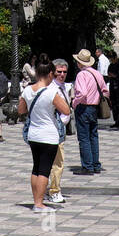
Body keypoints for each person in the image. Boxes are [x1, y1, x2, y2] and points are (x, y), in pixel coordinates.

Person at [17, 58, 72, 213]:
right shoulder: (51, 92)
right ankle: (39, 203)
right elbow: (66, 110)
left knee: (36, 167)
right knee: (44, 170)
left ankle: (36, 199)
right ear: (49, 74)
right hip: (48, 135)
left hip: (33, 134)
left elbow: (21, 110)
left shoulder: (27, 90)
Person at [71, 49, 107, 174]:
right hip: (94, 108)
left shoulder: (82, 75)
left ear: (80, 63)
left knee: (84, 138)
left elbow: (82, 93)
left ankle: (87, 166)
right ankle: (96, 164)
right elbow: (105, 91)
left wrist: (74, 103)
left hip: (83, 107)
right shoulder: (97, 74)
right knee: (93, 136)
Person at [45, 59, 73, 206]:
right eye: (59, 72)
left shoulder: (62, 87)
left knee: (53, 162)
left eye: (64, 72)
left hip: (60, 129)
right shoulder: (52, 89)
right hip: (54, 130)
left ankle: (47, 190)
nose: (62, 75)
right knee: (57, 163)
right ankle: (54, 191)